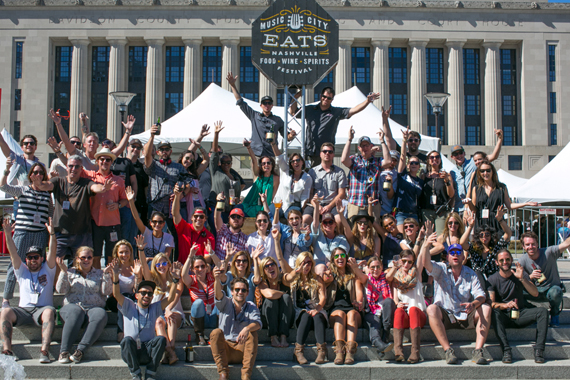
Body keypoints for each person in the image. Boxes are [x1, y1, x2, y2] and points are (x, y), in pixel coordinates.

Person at [36, 155, 113, 279]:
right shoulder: (58, 181)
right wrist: (39, 183)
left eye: (77, 166)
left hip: (81, 233)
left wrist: (103, 188)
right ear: (66, 167)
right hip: (60, 233)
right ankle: (54, 290)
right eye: (71, 166)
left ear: (81, 168)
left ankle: (79, 287)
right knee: (55, 262)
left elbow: (95, 187)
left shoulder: (86, 183)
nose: (73, 169)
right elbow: (47, 186)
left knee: (82, 264)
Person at [421, 238, 491, 365]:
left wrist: (474, 304)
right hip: (446, 315)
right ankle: (448, 350)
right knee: (431, 308)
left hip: (466, 312)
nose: (455, 255)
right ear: (447, 256)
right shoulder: (441, 269)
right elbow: (426, 264)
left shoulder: (471, 273)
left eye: (458, 252)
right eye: (452, 253)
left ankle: (478, 350)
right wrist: (426, 245)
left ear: (463, 256)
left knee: (485, 307)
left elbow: (481, 295)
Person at [0, 219, 56, 363]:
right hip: (23, 311)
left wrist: (53, 235)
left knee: (49, 311)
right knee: (5, 311)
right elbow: (13, 253)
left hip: (42, 310)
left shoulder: (47, 269)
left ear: (41, 258)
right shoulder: (22, 270)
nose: (33, 260)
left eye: (36, 257)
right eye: (30, 258)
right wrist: (7, 233)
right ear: (26, 260)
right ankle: (7, 349)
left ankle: (44, 351)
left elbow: (53, 250)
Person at [112, 261, 180, 380]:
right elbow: (116, 294)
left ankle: (150, 373)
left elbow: (170, 298)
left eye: (149, 293)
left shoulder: (154, 308)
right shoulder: (129, 305)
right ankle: (136, 373)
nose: (146, 296)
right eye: (143, 293)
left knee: (160, 339)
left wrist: (175, 280)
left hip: (148, 350)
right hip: (132, 350)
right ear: (137, 295)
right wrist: (116, 277)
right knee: (126, 340)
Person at [1, 158, 52, 308]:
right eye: (35, 172)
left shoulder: (46, 194)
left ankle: (38, 296)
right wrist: (6, 170)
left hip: (40, 234)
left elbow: (50, 212)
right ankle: (6, 299)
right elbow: (3, 186)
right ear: (30, 175)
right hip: (23, 232)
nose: (38, 175)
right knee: (14, 265)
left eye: (41, 172)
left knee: (39, 265)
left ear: (44, 175)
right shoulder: (23, 190)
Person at [289, 87, 380, 167]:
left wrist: (368, 101)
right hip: (309, 152)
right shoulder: (311, 109)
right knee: (308, 180)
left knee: (323, 180)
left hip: (326, 153)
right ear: (321, 96)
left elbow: (353, 110)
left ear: (332, 99)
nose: (325, 99)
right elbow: (293, 112)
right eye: (324, 97)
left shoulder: (335, 112)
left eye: (329, 98)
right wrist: (296, 96)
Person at [488, 249, 548, 364]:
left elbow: (535, 293)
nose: (505, 262)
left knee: (543, 312)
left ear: (511, 260)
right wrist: (505, 305)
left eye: (507, 259)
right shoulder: (492, 279)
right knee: (494, 312)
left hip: (520, 314)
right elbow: (491, 303)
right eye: (501, 260)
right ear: (497, 263)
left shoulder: (520, 273)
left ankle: (539, 350)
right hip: (504, 316)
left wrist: (522, 279)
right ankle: (506, 350)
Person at [55, 246, 112, 364]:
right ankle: (64, 351)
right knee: (75, 312)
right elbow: (60, 290)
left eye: (89, 257)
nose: (86, 260)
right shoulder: (69, 272)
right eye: (83, 257)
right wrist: (63, 272)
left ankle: (80, 350)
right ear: (77, 259)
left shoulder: (100, 273)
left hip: (93, 307)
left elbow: (107, 292)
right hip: (72, 306)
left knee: (100, 314)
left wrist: (106, 276)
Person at [211, 266, 262, 380]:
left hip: (243, 350)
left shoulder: (251, 306)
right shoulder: (226, 302)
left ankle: (246, 375)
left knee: (252, 333)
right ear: (232, 291)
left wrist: (247, 329)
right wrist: (217, 279)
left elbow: (258, 323)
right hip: (225, 350)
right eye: (237, 289)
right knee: (216, 333)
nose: (240, 292)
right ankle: (223, 373)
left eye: (243, 290)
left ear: (247, 292)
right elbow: (218, 294)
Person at [143, 124, 186, 260]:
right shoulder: (154, 165)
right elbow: (146, 154)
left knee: (174, 235)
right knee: (150, 235)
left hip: (170, 207)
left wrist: (181, 192)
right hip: (155, 206)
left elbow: (187, 183)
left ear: (170, 151)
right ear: (158, 152)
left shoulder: (178, 167)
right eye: (162, 149)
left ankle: (173, 261)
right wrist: (152, 136)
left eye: (167, 149)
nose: (164, 151)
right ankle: (150, 260)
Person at [227, 72, 293, 158]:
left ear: (272, 105)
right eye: (264, 103)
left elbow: (287, 137)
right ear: (261, 105)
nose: (267, 105)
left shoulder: (278, 120)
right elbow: (240, 102)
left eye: (269, 103)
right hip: (257, 154)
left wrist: (292, 135)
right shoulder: (254, 115)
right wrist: (232, 85)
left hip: (272, 155)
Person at [278, 251, 328, 365]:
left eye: (309, 262)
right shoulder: (293, 279)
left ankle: (322, 351)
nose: (306, 265)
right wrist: (297, 271)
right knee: (305, 315)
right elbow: (287, 278)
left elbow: (323, 298)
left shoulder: (317, 279)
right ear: (298, 264)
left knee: (318, 316)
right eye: (303, 263)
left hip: (316, 310)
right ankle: (299, 351)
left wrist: (317, 309)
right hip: (299, 313)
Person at [82, 147, 128, 269]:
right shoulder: (90, 176)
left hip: (113, 224)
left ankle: (110, 283)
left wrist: (118, 205)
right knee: (95, 255)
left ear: (111, 162)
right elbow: (73, 164)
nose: (105, 162)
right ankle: (98, 281)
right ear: (97, 161)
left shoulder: (118, 180)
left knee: (112, 256)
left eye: (108, 159)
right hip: (95, 223)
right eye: (102, 159)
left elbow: (125, 199)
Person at [137, 249, 184, 366]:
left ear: (168, 264)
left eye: (164, 263)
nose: (161, 266)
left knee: (171, 317)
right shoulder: (152, 281)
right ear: (155, 266)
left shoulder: (175, 277)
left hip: (175, 312)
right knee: (158, 321)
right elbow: (143, 264)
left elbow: (176, 297)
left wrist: (168, 309)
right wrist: (141, 249)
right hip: (158, 315)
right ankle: (170, 351)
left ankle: (169, 349)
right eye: (158, 264)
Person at [51, 110, 132, 171]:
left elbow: (120, 149)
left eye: (94, 142)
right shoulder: (79, 155)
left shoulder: (102, 156)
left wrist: (128, 131)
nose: (92, 144)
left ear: (98, 145)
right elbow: (66, 141)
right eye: (89, 142)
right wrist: (58, 124)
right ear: (84, 144)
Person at [518, 231, 570, 327]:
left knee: (556, 292)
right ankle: (533, 311)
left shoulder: (549, 252)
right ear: (523, 247)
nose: (531, 247)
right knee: (516, 291)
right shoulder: (522, 261)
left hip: (550, 289)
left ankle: (554, 314)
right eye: (527, 244)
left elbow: (566, 243)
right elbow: (520, 281)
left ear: (537, 244)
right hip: (533, 291)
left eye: (533, 244)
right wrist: (530, 277)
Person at [322, 247, 364, 365]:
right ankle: (339, 351)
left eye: (342, 255)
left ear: (346, 258)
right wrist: (328, 276)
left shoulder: (353, 276)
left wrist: (358, 302)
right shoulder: (330, 275)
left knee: (350, 314)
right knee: (340, 314)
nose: (339, 258)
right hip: (335, 310)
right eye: (336, 256)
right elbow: (323, 282)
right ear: (333, 259)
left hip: (352, 309)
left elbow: (359, 292)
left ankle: (350, 351)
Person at [341, 127, 390, 220]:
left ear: (371, 146)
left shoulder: (377, 161)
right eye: (362, 146)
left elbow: (388, 161)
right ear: (359, 148)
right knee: (354, 231)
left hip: (373, 203)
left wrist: (382, 141)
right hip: (355, 203)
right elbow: (343, 160)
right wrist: (349, 139)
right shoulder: (354, 160)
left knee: (373, 232)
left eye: (367, 145)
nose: (365, 148)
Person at [350, 257, 395, 356]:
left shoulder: (386, 278)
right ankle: (380, 344)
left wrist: (394, 267)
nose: (376, 269)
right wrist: (355, 268)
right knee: (374, 325)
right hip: (370, 311)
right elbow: (360, 275)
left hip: (385, 313)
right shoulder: (367, 279)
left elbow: (391, 275)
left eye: (378, 267)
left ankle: (386, 333)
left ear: (382, 267)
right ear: (369, 268)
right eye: (373, 267)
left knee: (388, 301)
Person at [448, 132, 503, 213]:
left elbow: (494, 156)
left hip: (473, 206)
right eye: (455, 154)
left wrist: (500, 139)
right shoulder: (452, 172)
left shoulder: (473, 162)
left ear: (464, 153)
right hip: (459, 208)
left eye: (460, 153)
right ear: (452, 157)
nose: (459, 155)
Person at [391, 248, 427, 363]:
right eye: (404, 261)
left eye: (410, 262)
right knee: (398, 312)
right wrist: (398, 304)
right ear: (400, 261)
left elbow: (422, 254)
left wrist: (424, 240)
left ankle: (415, 352)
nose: (406, 264)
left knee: (413, 310)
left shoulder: (417, 274)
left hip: (418, 315)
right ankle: (398, 352)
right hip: (406, 317)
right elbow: (395, 300)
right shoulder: (396, 279)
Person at [102, 131, 138, 246]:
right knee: (110, 236)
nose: (106, 146)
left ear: (116, 147)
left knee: (125, 234)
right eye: (104, 145)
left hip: (125, 203)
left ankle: (126, 260)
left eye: (109, 144)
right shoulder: (103, 163)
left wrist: (132, 199)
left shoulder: (125, 162)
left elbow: (134, 182)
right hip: (109, 202)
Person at [253, 246, 293, 349]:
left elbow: (290, 278)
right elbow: (269, 295)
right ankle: (273, 336)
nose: (270, 267)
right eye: (267, 267)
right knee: (271, 301)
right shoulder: (263, 282)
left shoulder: (282, 278)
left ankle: (283, 336)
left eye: (272, 264)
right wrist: (283, 293)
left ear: (276, 266)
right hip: (267, 318)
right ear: (264, 271)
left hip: (285, 317)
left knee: (286, 298)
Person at [462, 207, 512, 285]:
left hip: (494, 281)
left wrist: (500, 220)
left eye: (487, 234)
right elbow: (462, 243)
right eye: (481, 235)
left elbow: (508, 234)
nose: (484, 237)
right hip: (478, 282)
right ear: (478, 237)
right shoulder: (474, 249)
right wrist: (470, 226)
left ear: (491, 235)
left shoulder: (496, 248)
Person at [182, 244, 218, 346]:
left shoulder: (212, 278)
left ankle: (222, 333)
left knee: (222, 300)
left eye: (203, 266)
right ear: (192, 269)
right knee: (198, 303)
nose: (200, 269)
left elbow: (220, 267)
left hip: (213, 317)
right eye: (197, 267)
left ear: (206, 268)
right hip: (200, 318)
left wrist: (211, 253)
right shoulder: (191, 280)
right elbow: (183, 275)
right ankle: (199, 335)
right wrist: (190, 256)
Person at [105, 240, 142, 343]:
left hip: (130, 300)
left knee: (128, 299)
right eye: (121, 252)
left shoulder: (136, 266)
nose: (124, 255)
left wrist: (138, 276)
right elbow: (109, 292)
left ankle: (125, 332)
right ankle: (121, 331)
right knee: (124, 299)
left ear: (131, 252)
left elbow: (136, 290)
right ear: (116, 253)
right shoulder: (113, 267)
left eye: (126, 252)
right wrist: (110, 274)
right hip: (114, 300)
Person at [209, 121, 245, 222]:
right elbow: (214, 152)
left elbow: (242, 185)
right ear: (219, 163)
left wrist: (237, 198)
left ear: (231, 163)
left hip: (232, 211)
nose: (226, 164)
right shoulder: (216, 172)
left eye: (228, 162)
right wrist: (216, 134)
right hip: (218, 210)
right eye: (223, 162)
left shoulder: (234, 175)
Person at [126, 187, 174, 261]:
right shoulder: (147, 233)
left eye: (160, 222)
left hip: (160, 265)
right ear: (150, 223)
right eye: (154, 222)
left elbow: (166, 257)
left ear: (164, 224)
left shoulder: (168, 237)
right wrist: (131, 202)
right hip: (146, 266)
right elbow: (137, 219)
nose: (157, 224)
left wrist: (149, 259)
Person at [304, 143, 347, 225]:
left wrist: (329, 206)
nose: (327, 153)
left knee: (339, 221)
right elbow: (310, 194)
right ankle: (306, 238)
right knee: (305, 219)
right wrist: (317, 206)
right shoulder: (312, 172)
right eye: (325, 151)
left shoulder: (340, 172)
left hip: (333, 204)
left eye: (330, 152)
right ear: (320, 154)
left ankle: (338, 238)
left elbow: (342, 193)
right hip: (315, 203)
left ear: (333, 154)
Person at [271, 141, 313, 223]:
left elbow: (304, 197)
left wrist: (303, 211)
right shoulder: (285, 171)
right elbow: (279, 158)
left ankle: (293, 235)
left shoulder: (307, 178)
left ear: (302, 162)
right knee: (269, 217)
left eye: (298, 160)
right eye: (293, 161)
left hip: (294, 205)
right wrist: (273, 144)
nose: (295, 162)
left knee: (294, 220)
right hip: (279, 202)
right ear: (290, 164)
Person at [172, 184, 215, 264]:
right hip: (182, 267)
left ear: (205, 219)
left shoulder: (209, 236)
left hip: (198, 269)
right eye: (196, 216)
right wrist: (177, 197)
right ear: (191, 218)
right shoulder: (184, 227)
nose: (198, 219)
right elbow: (175, 213)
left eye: (201, 217)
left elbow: (207, 259)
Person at [310, 195, 349, 275]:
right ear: (322, 225)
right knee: (321, 267)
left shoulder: (341, 238)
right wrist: (317, 205)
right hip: (319, 269)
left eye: (330, 222)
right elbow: (315, 223)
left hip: (335, 269)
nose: (328, 225)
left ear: (335, 224)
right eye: (325, 222)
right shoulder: (317, 235)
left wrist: (331, 264)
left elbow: (342, 255)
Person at [395, 128, 424, 231]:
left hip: (414, 214)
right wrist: (404, 140)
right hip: (401, 213)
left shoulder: (421, 181)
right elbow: (402, 156)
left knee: (413, 238)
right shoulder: (402, 175)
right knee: (400, 237)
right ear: (408, 165)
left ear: (419, 166)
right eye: (411, 163)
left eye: (416, 163)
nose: (414, 165)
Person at [419, 150, 455, 232]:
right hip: (427, 210)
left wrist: (446, 180)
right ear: (428, 160)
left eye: (437, 157)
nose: (434, 159)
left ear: (440, 160)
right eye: (432, 157)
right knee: (428, 237)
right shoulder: (423, 176)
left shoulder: (446, 175)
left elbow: (451, 194)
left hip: (441, 211)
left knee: (440, 237)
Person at [241, 140, 280, 217]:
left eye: (269, 163)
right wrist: (248, 147)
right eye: (263, 163)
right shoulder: (258, 175)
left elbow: (272, 197)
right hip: (250, 205)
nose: (266, 165)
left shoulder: (275, 178)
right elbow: (254, 160)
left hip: (265, 207)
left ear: (272, 165)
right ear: (261, 166)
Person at [213, 196, 248, 262]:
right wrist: (219, 202)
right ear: (229, 219)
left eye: (238, 217)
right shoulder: (222, 230)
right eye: (233, 216)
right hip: (220, 267)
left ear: (243, 220)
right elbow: (217, 217)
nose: (235, 219)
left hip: (235, 269)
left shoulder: (245, 238)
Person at [127, 139, 149, 236]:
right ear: (128, 148)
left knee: (136, 236)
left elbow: (146, 188)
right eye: (133, 146)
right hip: (123, 205)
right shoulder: (121, 164)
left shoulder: (142, 167)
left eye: (138, 147)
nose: (135, 149)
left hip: (138, 206)